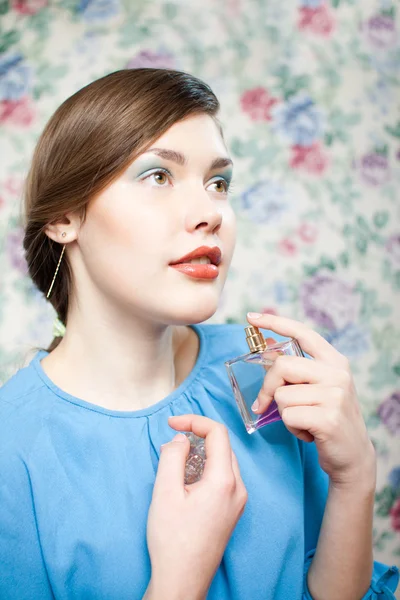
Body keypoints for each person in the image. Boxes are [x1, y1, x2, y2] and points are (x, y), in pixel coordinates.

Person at [0, 68, 398, 600]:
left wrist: (354, 478)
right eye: (158, 176)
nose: (210, 212)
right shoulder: (12, 454)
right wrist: (178, 580)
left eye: (219, 183)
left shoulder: (266, 370)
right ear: (64, 217)